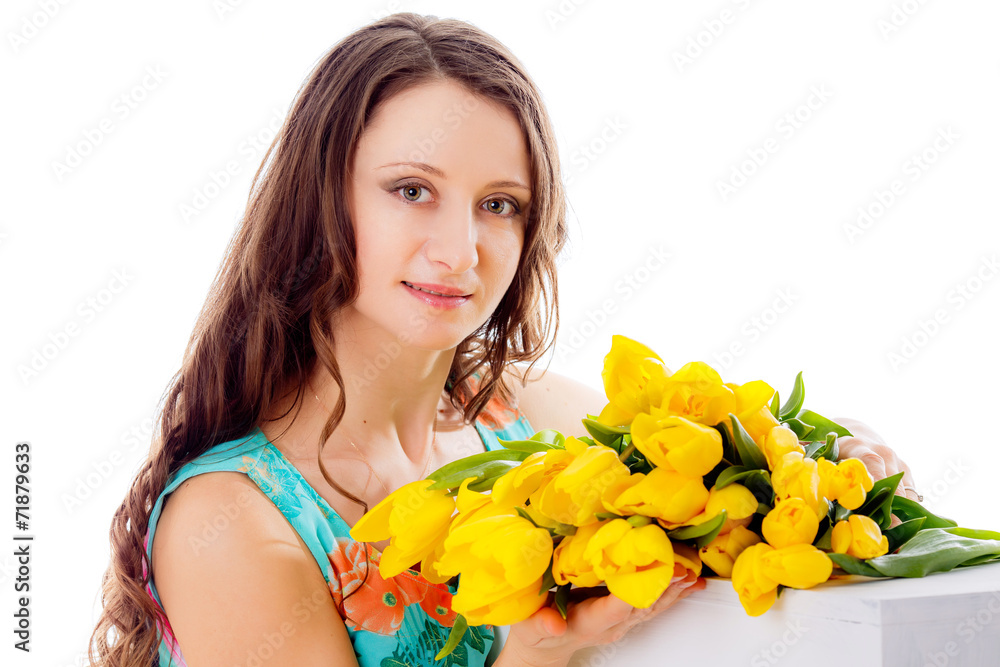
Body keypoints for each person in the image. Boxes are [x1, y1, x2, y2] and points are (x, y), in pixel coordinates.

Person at [87, 12, 917, 667]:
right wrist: (539, 654)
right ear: (322, 200)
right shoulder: (231, 520)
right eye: (412, 190)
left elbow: (718, 450)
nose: (460, 252)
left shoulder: (520, 419)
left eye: (498, 205)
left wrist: (836, 454)